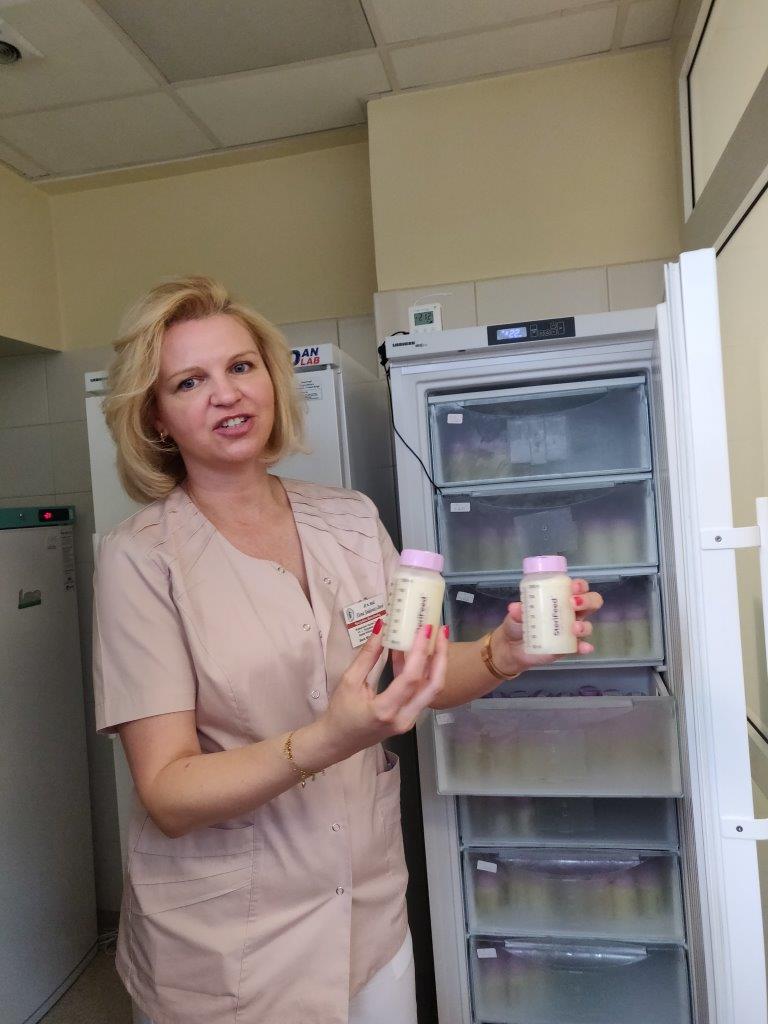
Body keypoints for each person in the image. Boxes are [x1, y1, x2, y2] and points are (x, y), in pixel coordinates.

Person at [92, 276, 602, 1024]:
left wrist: (503, 651)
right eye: (189, 382)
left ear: (271, 379)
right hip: (229, 944)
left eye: (241, 366)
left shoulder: (350, 519)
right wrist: (331, 737)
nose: (227, 394)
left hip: (367, 912)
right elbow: (168, 792)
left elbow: (414, 675)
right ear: (157, 419)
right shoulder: (141, 558)